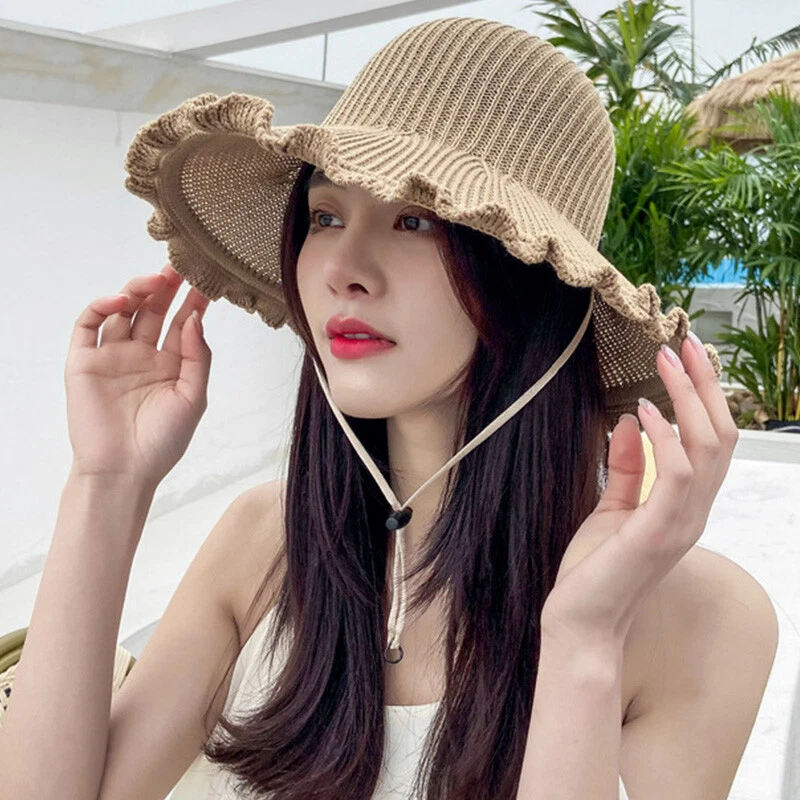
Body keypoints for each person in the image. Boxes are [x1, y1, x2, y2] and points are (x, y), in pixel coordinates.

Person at [0, 17, 778, 800]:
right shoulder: (265, 542)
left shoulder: (704, 620)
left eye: (415, 220)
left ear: (533, 279)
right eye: (325, 217)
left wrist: (583, 641)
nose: (343, 267)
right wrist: (107, 482)